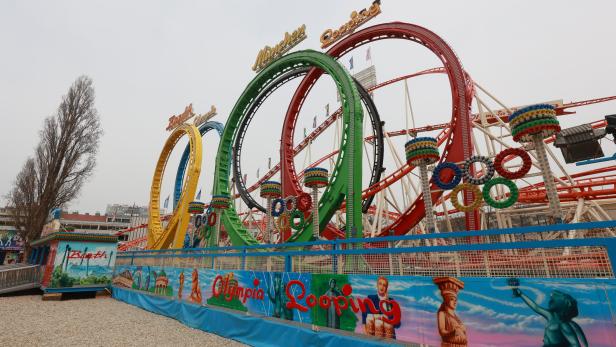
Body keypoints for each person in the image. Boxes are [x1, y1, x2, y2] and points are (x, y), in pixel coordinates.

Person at [512, 286, 588, 347]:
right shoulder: (550, 316)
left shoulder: (564, 325)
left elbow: (575, 344)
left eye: (553, 301)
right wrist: (521, 294)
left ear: (560, 305)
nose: (550, 302)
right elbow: (536, 307)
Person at [434, 277, 467, 347]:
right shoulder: (442, 313)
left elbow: (461, 331)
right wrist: (453, 332)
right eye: (452, 299)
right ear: (446, 300)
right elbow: (442, 331)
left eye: (456, 300)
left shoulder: (456, 317)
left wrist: (463, 329)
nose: (455, 302)